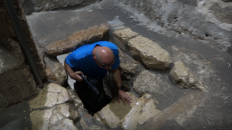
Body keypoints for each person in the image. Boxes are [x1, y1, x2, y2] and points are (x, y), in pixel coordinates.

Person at [64, 41, 131, 114]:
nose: (108, 68)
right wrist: (71, 74)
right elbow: (66, 61)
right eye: (105, 65)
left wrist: (120, 89)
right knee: (88, 96)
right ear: (95, 58)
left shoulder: (113, 49)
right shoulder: (78, 56)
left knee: (98, 89)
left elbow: (115, 69)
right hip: (85, 75)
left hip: (98, 75)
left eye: (111, 64)